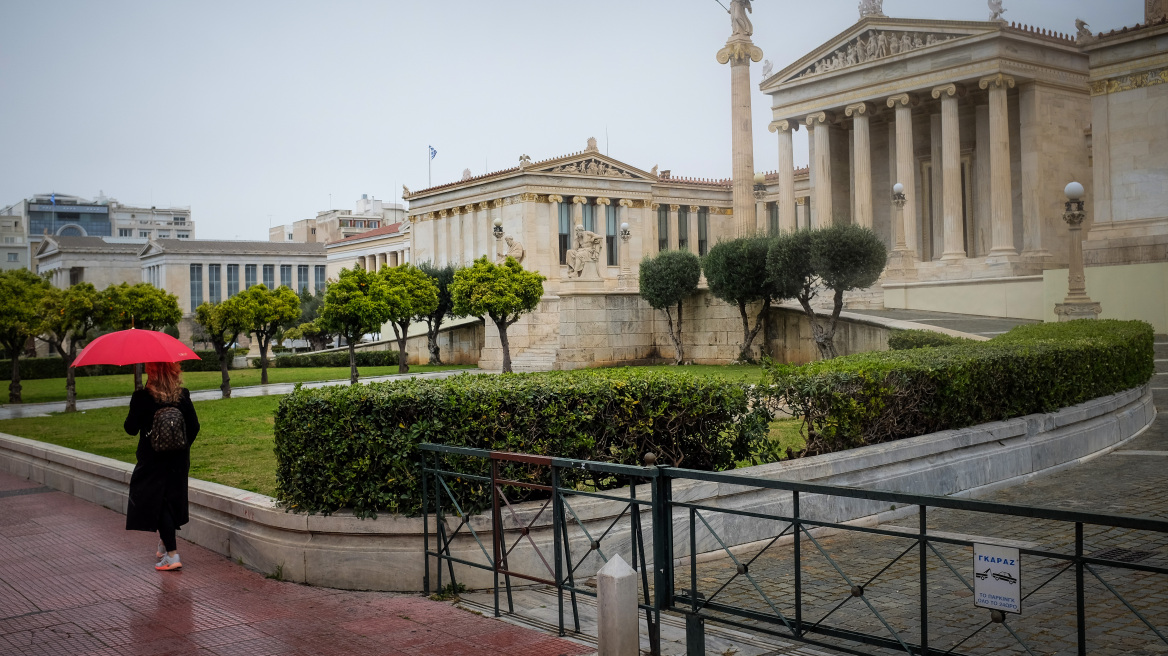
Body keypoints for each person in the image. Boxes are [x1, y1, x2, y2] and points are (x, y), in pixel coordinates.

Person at [124, 361, 200, 571]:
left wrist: (138, 402)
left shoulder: (142, 397)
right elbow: (194, 426)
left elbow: (130, 428)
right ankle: (165, 544)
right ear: (174, 372)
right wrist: (181, 447)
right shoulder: (182, 395)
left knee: (157, 502)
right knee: (171, 500)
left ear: (151, 372)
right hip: (179, 460)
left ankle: (172, 556)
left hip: (152, 459)